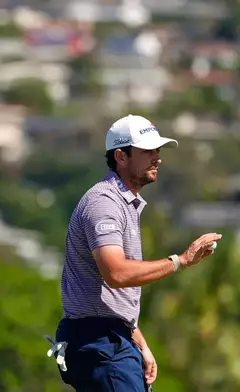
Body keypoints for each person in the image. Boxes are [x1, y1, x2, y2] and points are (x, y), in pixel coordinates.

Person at [45, 114, 222, 391]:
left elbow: (109, 298)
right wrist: (181, 261)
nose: (157, 157)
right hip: (100, 344)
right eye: (147, 150)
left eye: (157, 150)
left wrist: (137, 341)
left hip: (110, 340)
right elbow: (116, 273)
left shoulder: (123, 203)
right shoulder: (104, 203)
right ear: (121, 156)